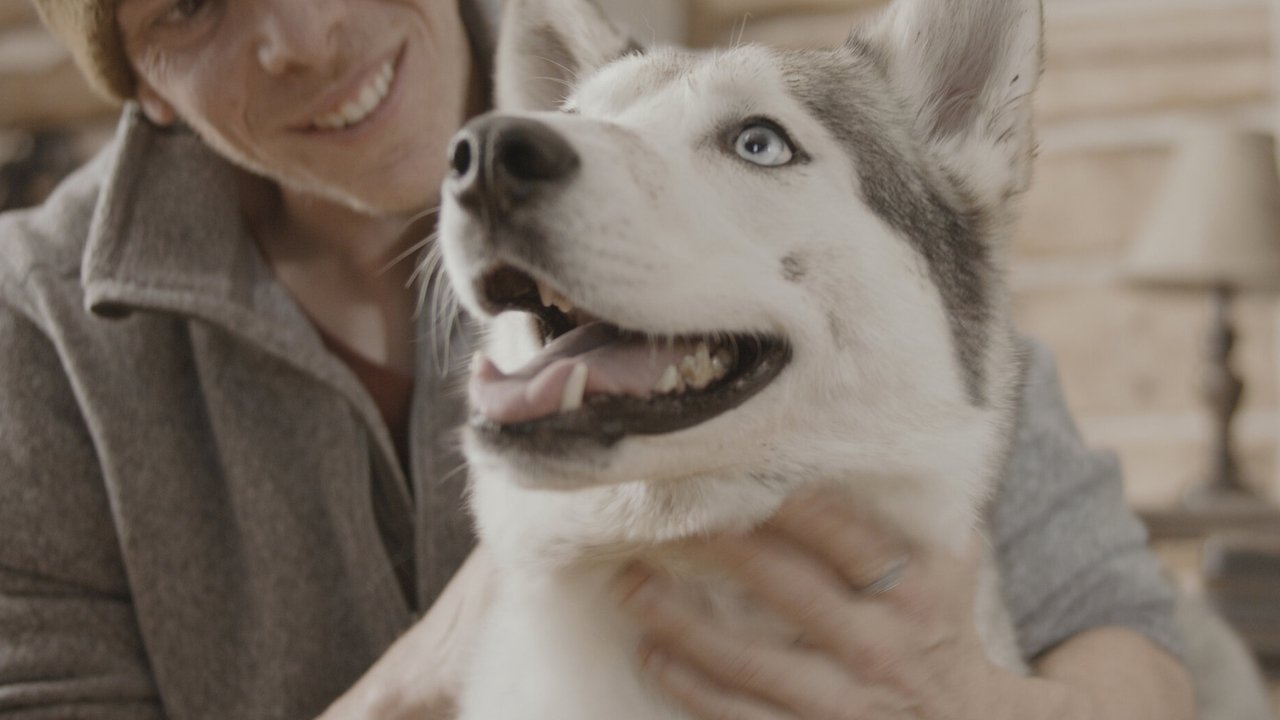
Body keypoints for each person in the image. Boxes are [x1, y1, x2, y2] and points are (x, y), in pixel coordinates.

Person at [0, 0, 1194, 718]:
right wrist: (424, 677)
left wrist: (981, 708)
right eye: (190, 5)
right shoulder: (33, 339)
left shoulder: (881, 300)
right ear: (143, 86)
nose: (304, 33)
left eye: (756, 143)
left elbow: (1130, 641)